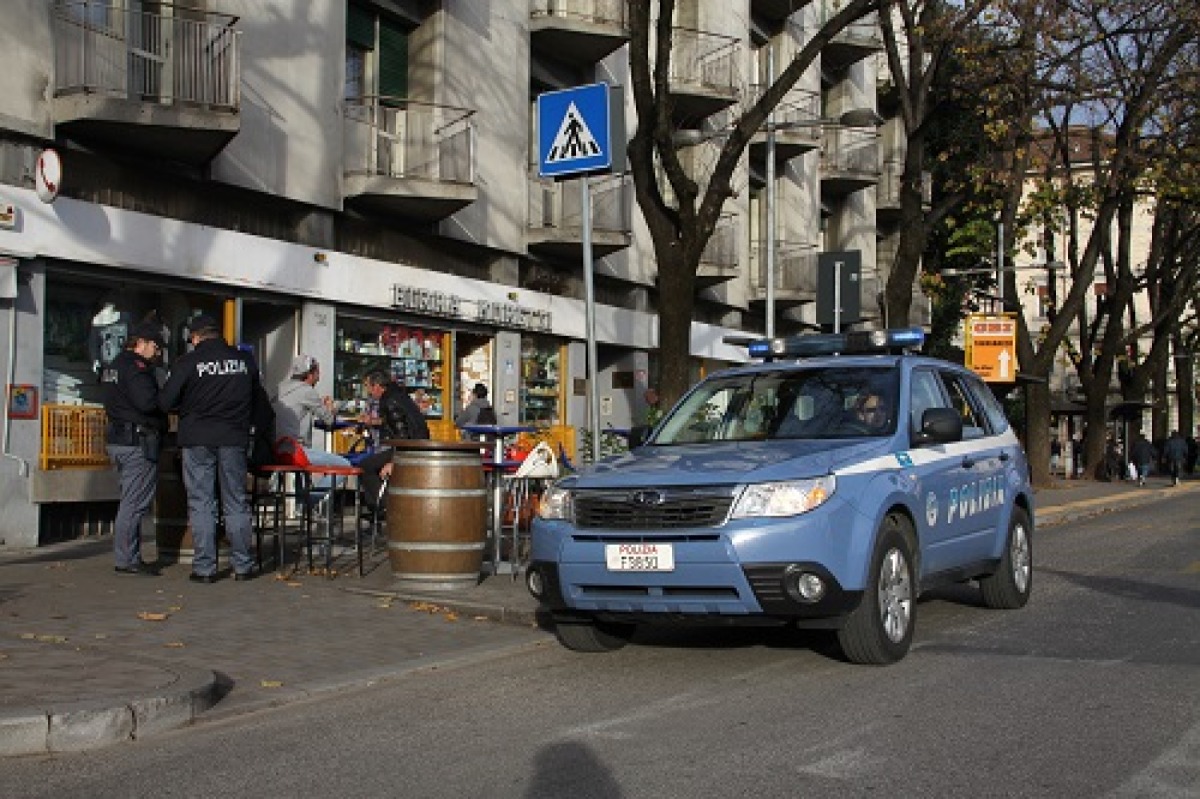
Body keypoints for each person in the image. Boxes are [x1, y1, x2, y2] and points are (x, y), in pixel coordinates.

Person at [158, 314, 262, 583]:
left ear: (195, 337)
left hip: (197, 438)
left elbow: (166, 399)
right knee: (236, 501)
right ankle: (243, 566)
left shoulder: (188, 362)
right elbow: (259, 402)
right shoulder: (244, 361)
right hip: (234, 437)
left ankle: (205, 568)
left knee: (202, 502)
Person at [101, 322, 168, 576]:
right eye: (154, 346)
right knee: (135, 501)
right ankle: (127, 559)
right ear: (140, 343)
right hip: (136, 441)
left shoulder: (115, 364)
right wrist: (165, 399)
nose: (157, 352)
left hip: (118, 438)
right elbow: (147, 402)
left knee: (129, 499)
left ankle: (129, 556)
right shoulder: (136, 368)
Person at [271, 354, 352, 493]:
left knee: (302, 474)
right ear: (310, 374)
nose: (319, 377)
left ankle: (302, 504)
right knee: (345, 466)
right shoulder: (307, 391)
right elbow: (329, 420)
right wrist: (330, 407)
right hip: (295, 451)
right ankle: (311, 500)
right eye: (318, 373)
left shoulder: (279, 388)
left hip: (274, 450)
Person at [358, 370, 430, 516]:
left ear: (378, 386)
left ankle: (388, 508)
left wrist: (394, 461)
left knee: (365, 466)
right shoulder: (397, 395)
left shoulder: (389, 401)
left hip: (411, 448)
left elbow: (402, 434)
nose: (369, 392)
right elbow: (395, 422)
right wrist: (373, 422)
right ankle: (379, 509)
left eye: (369, 387)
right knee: (373, 463)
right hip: (418, 445)